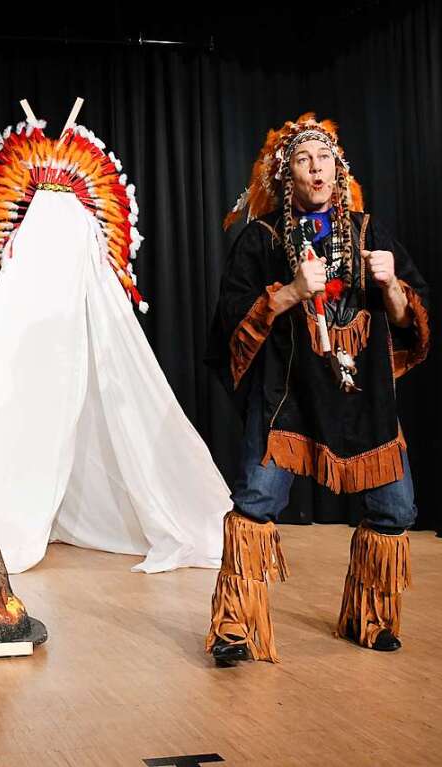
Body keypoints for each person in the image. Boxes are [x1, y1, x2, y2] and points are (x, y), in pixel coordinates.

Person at [206, 113, 429, 664]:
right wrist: (288, 293)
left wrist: (393, 286)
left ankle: (371, 619)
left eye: (324, 159)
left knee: (396, 510)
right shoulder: (261, 240)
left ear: (338, 169)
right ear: (289, 177)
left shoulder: (370, 232)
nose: (316, 169)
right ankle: (236, 627)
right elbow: (230, 320)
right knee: (256, 502)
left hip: (363, 396)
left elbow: (409, 318)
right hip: (289, 395)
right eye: (304, 161)